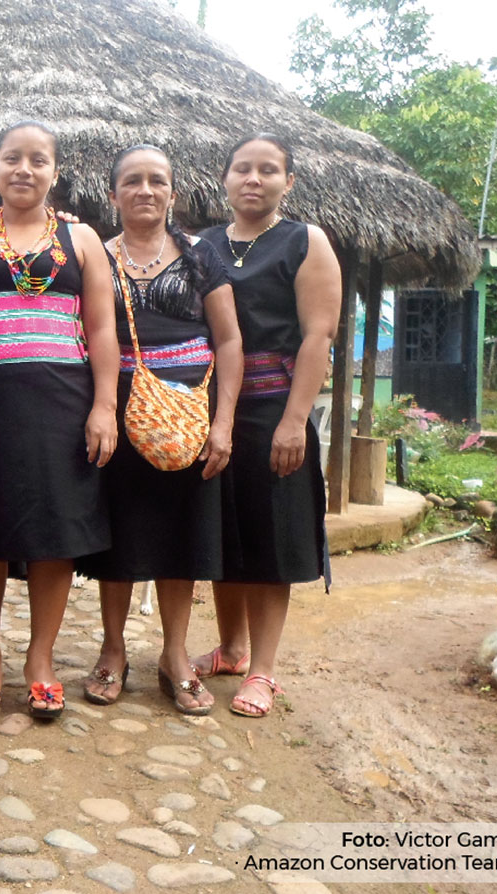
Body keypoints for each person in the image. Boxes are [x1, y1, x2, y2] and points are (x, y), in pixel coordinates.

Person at [0, 121, 119, 720]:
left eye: (38, 160)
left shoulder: (82, 240)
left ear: (55, 171)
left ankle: (40, 662)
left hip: (61, 404)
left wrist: (104, 406)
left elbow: (103, 329)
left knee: (54, 535)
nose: (24, 169)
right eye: (12, 158)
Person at [75, 145, 243, 713]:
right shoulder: (94, 254)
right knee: (119, 532)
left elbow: (229, 340)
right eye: (132, 181)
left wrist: (223, 423)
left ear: (173, 192)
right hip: (115, 408)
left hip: (190, 411)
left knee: (182, 535)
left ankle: (175, 655)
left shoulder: (202, 256)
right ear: (114, 192)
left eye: (157, 181)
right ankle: (113, 649)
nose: (145, 190)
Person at [191, 133, 341, 717]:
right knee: (222, 533)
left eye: (268, 170)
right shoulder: (201, 245)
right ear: (225, 180)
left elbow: (317, 335)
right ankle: (230, 649)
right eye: (243, 169)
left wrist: (295, 420)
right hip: (214, 410)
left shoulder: (305, 241)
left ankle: (263, 669)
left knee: (271, 537)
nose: (254, 179)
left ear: (289, 182)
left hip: (276, 406)